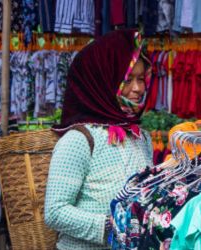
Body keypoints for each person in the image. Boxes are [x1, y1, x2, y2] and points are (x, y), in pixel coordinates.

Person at [44, 30, 154, 250]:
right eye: (128, 79)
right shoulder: (79, 140)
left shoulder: (141, 138)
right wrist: (109, 226)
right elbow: (55, 212)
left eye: (141, 79)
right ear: (103, 80)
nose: (138, 88)